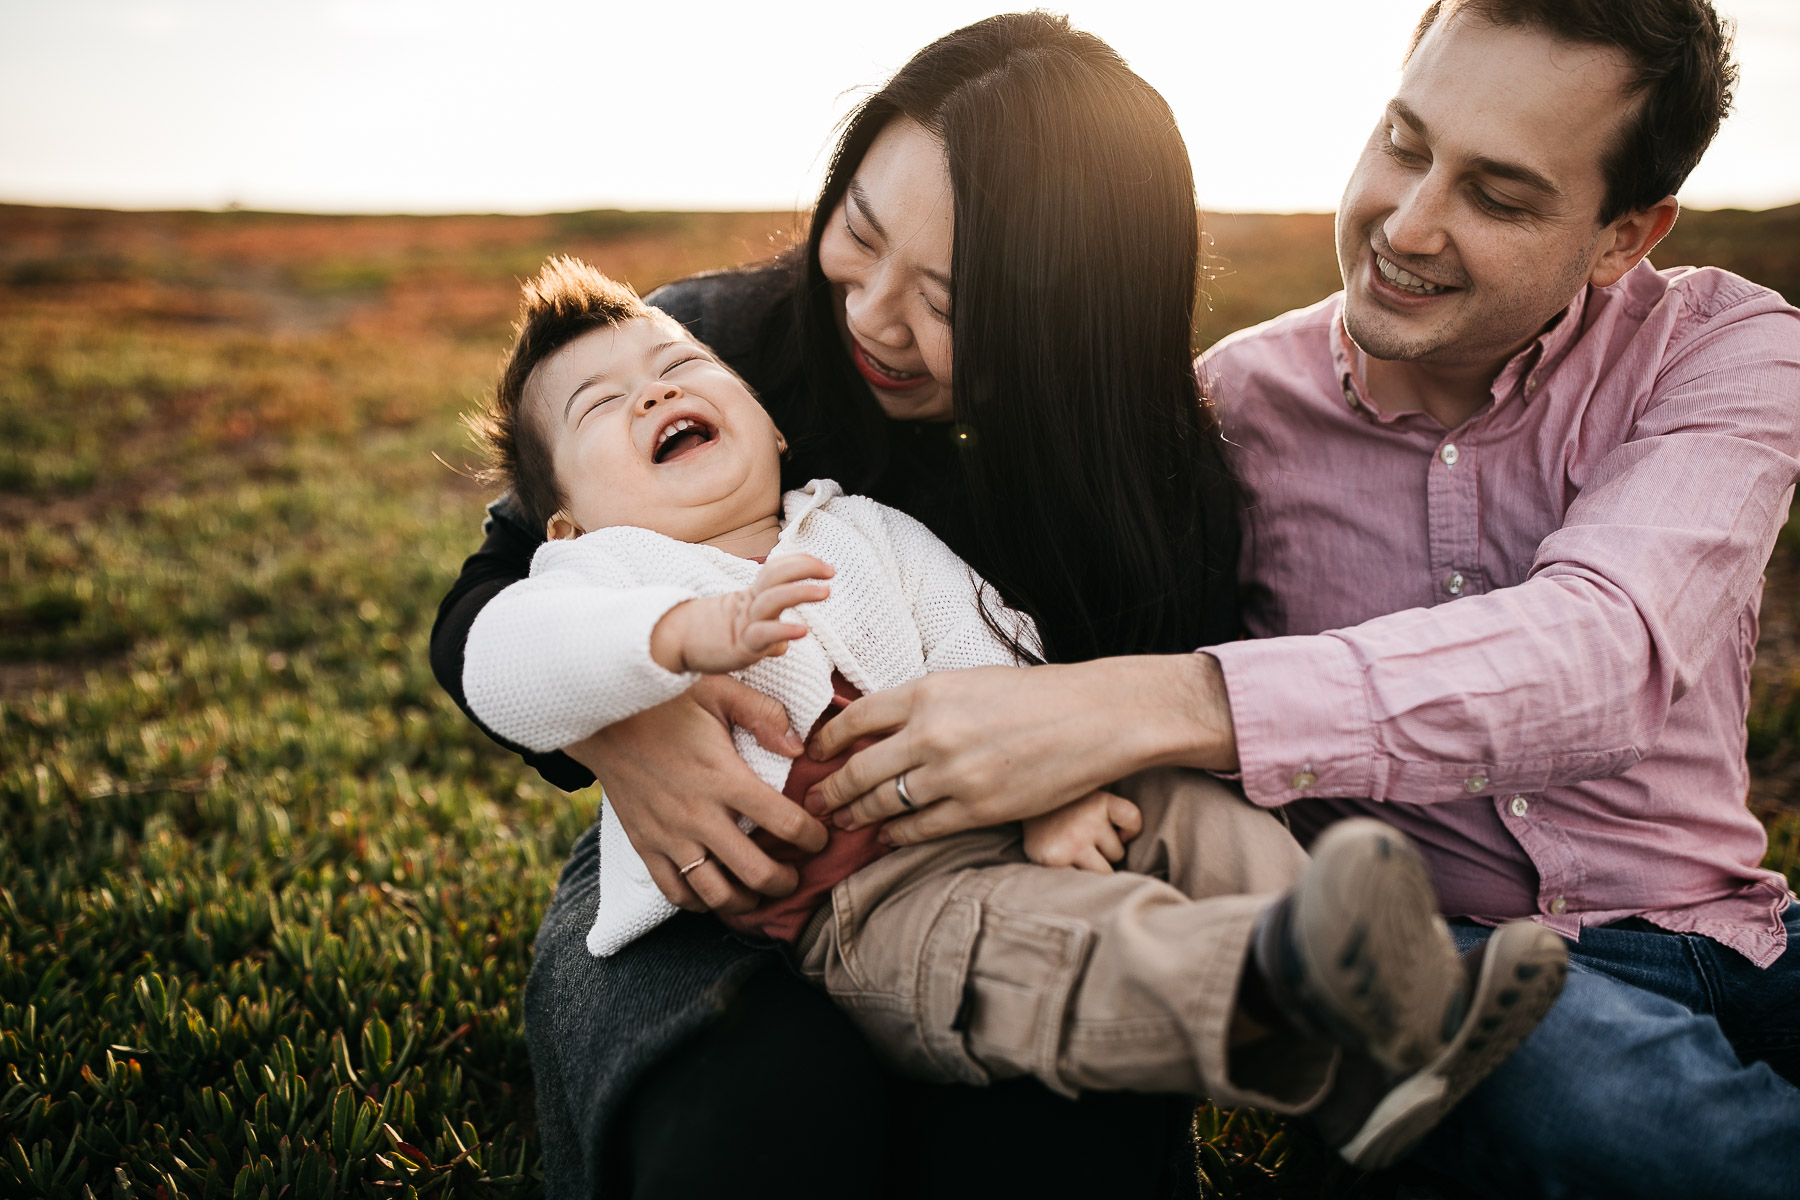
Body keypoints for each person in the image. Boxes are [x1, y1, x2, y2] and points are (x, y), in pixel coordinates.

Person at [804, 1, 1800, 1196]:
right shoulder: (1224, 418)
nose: (1409, 222)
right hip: (1442, 965)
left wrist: (1168, 702)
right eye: (1404, 141)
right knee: (1626, 1121)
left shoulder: (1726, 349)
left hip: (1738, 930)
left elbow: (1607, 653)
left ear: (1622, 236)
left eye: (1499, 195)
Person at [454, 257, 1567, 1171]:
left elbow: (993, 656)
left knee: (1183, 807)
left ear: (774, 426)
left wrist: (1058, 786)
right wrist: (666, 645)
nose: (653, 391)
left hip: (984, 800)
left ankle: (1389, 1001)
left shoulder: (861, 527)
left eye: (679, 367)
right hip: (865, 900)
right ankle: (1269, 981)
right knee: (1043, 948)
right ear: (560, 526)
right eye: (606, 405)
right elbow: (506, 657)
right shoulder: (603, 579)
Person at [432, 15, 1265, 1198]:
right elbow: (489, 608)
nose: (872, 313)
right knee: (752, 1118)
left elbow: (1162, 751)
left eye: (950, 298)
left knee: (1056, 1141)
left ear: (1075, 320)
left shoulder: (1154, 495)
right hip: (720, 876)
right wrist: (621, 719)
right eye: (859, 234)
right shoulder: (708, 352)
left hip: (1014, 881)